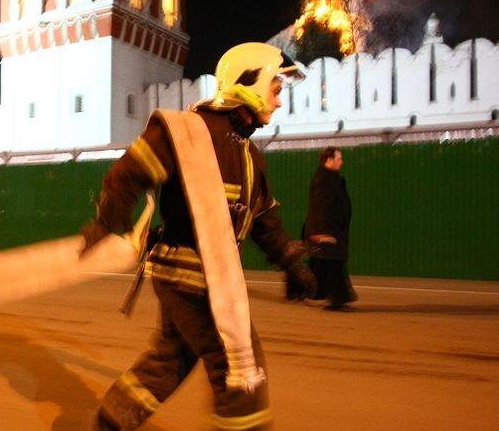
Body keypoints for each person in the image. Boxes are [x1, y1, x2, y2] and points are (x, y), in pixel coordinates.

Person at [81, 42, 317, 431]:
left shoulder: (250, 155)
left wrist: (292, 264)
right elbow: (125, 176)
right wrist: (104, 225)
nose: (278, 102)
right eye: (275, 89)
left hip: (199, 280)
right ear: (250, 83)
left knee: (170, 359)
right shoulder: (186, 132)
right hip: (192, 279)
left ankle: (110, 422)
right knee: (242, 370)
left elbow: (263, 221)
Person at [302, 146, 356, 310]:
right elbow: (320, 207)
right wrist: (321, 232)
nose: (342, 162)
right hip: (327, 231)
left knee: (323, 264)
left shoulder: (331, 178)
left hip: (332, 230)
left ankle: (318, 295)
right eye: (339, 159)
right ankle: (336, 298)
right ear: (329, 160)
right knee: (331, 264)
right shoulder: (324, 180)